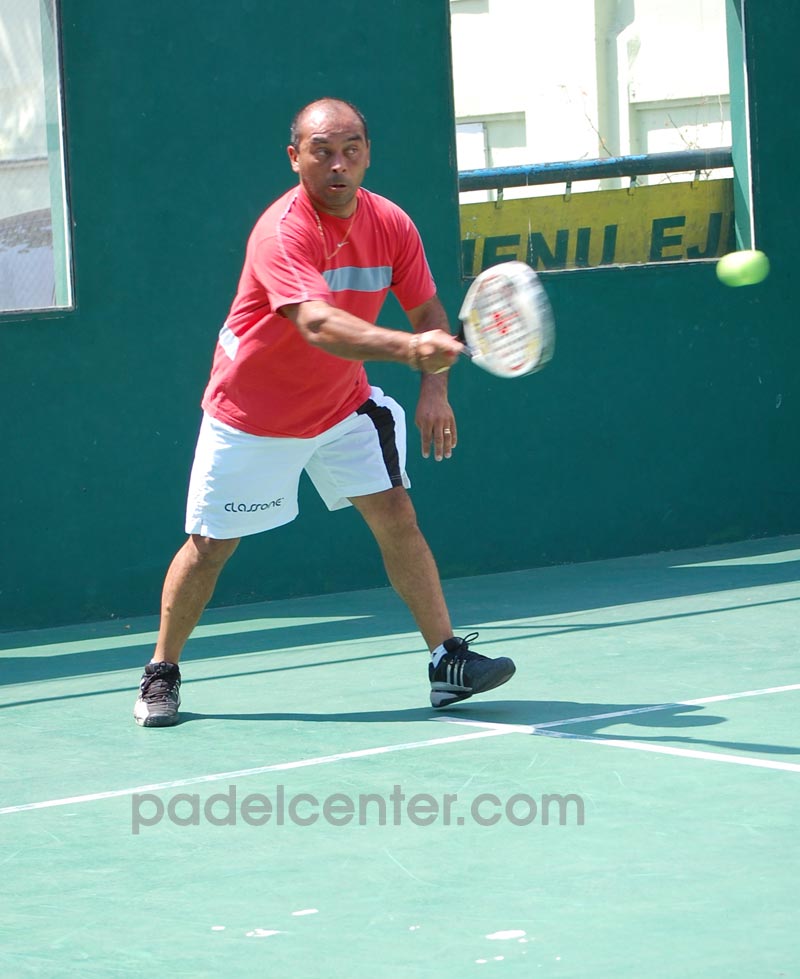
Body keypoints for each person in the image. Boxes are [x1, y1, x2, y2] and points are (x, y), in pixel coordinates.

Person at [134, 97, 516, 727]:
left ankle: (446, 660)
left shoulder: (391, 223)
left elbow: (427, 311)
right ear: (295, 158)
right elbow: (317, 323)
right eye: (323, 152)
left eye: (351, 150)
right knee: (209, 547)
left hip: (342, 406)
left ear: (367, 155)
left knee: (396, 514)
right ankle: (161, 670)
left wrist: (435, 388)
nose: (339, 164)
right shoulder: (281, 232)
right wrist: (410, 351)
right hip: (252, 415)